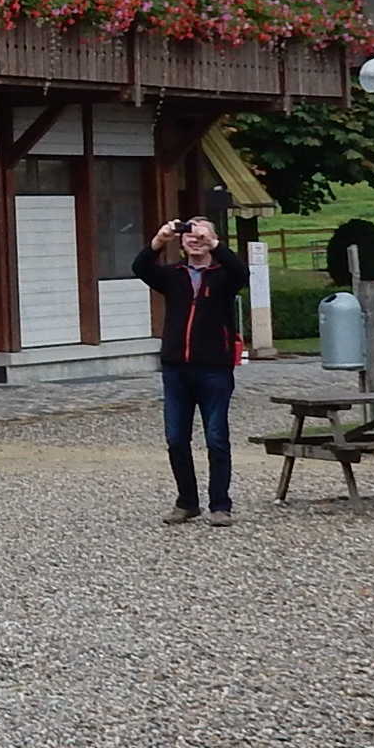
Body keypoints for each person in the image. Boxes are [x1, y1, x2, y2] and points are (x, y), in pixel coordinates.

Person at [133, 215, 250, 524]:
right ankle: (187, 502)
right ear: (181, 243)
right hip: (176, 369)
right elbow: (141, 268)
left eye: (202, 236)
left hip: (214, 368)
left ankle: (220, 505)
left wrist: (214, 244)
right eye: (190, 235)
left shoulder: (224, 275)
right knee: (175, 438)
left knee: (216, 438)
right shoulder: (174, 275)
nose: (195, 240)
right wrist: (160, 239)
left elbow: (242, 274)